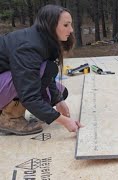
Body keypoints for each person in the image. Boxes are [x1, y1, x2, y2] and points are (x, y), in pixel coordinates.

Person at [0, 5, 83, 135]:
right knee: (43, 72)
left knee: (60, 92)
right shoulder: (29, 48)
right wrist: (63, 121)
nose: (71, 30)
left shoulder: (42, 39)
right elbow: (29, 95)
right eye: (66, 25)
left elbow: (46, 75)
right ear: (51, 25)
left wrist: (58, 101)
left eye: (71, 25)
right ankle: (9, 118)